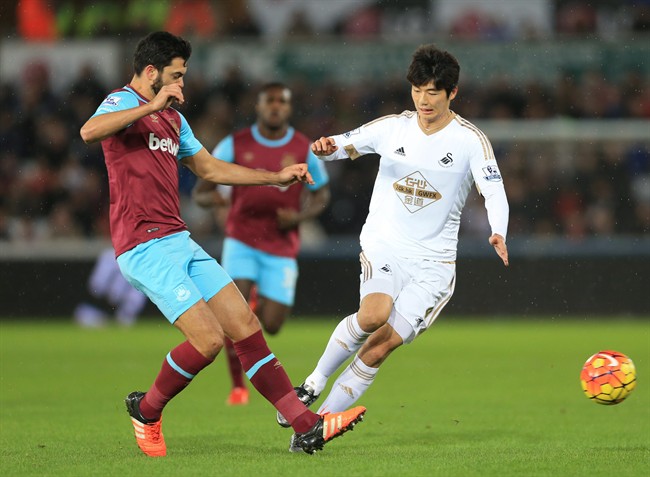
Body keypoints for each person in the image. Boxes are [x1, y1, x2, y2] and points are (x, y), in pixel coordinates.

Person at [79, 31, 365, 457]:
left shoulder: (175, 119)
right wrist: (151, 105)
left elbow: (209, 167)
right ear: (151, 72)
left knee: (245, 327)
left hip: (177, 238)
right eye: (176, 75)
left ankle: (307, 427)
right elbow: (89, 131)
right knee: (208, 341)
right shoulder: (122, 102)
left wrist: (275, 176)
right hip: (141, 246)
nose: (182, 84)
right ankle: (147, 410)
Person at [276, 44, 509, 451]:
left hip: (434, 265)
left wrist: (498, 230)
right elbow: (341, 144)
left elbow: (494, 190)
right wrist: (324, 149)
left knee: (380, 346)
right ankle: (312, 383)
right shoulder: (393, 128)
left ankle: (314, 427)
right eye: (418, 90)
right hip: (385, 244)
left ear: (452, 93)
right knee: (373, 315)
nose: (424, 100)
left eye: (434, 91)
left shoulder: (471, 140)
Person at [193, 82, 331, 406]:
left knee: (272, 324)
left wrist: (297, 218)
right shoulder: (235, 143)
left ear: (288, 108)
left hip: (281, 247)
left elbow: (322, 193)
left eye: (280, 102)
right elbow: (201, 190)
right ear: (258, 107)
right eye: (269, 102)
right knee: (233, 314)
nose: (275, 107)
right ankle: (238, 388)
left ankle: (253, 305)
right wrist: (215, 200)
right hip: (241, 239)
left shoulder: (303, 147)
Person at [73, 247, 148, 327]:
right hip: (97, 308)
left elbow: (136, 299)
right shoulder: (109, 256)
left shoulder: (138, 260)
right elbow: (96, 286)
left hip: (122, 310)